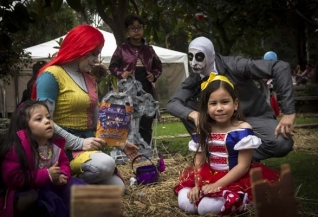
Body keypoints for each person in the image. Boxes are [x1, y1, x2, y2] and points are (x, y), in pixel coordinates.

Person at [31, 25, 139, 191]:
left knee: (118, 189)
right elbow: (43, 121)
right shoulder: (51, 75)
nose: (97, 59)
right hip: (58, 149)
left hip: (85, 146)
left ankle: (70, 188)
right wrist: (79, 143)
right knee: (105, 164)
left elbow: (97, 121)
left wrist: (121, 143)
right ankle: (62, 180)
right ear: (80, 48)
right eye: (94, 53)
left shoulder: (89, 79)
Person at [167, 36, 295, 161]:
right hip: (221, 121)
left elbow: (280, 67)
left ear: (210, 54)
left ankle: (236, 154)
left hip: (253, 117)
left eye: (199, 56)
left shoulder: (235, 65)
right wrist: (194, 115)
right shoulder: (195, 79)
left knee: (281, 143)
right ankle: (213, 151)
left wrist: (289, 111)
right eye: (190, 57)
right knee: (186, 106)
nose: (193, 62)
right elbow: (173, 103)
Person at [174, 74, 279, 215]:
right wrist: (197, 185)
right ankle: (211, 197)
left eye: (224, 102)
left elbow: (243, 166)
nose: (219, 108)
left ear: (235, 104)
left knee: (206, 208)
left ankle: (242, 199)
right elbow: (199, 159)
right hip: (209, 174)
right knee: (185, 203)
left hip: (236, 177)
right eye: (213, 103)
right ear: (206, 106)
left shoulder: (242, 129)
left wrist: (217, 185)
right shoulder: (205, 128)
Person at [0, 100, 85, 217]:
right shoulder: (16, 149)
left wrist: (62, 175)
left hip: (51, 185)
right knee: (49, 204)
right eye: (39, 119)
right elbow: (13, 178)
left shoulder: (54, 145)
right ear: (24, 125)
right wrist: (46, 175)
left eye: (48, 117)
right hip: (24, 189)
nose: (47, 121)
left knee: (77, 193)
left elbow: (63, 163)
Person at [109, 14, 162, 147]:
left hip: (146, 90)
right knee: (128, 121)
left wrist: (153, 75)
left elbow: (158, 66)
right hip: (127, 91)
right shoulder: (122, 49)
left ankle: (146, 150)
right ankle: (129, 151)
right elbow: (112, 66)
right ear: (127, 31)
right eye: (133, 28)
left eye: (139, 27)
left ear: (143, 29)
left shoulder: (149, 50)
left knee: (146, 120)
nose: (136, 30)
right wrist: (121, 74)